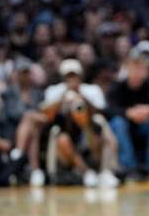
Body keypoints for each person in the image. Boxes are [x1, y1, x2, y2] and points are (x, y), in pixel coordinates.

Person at [41, 58, 119, 188]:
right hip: (68, 134)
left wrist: (82, 97)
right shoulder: (54, 91)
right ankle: (86, 172)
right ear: (63, 77)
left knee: (103, 129)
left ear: (80, 76)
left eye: (74, 76)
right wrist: (62, 100)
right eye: (68, 77)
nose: (72, 80)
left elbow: (102, 111)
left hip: (89, 131)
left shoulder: (92, 90)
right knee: (62, 139)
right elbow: (46, 114)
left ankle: (106, 171)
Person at [108, 50, 149, 180]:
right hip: (124, 124)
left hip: (144, 124)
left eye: (142, 69)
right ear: (127, 69)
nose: (138, 73)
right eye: (135, 68)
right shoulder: (117, 86)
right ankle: (129, 167)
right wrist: (128, 113)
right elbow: (110, 110)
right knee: (118, 123)